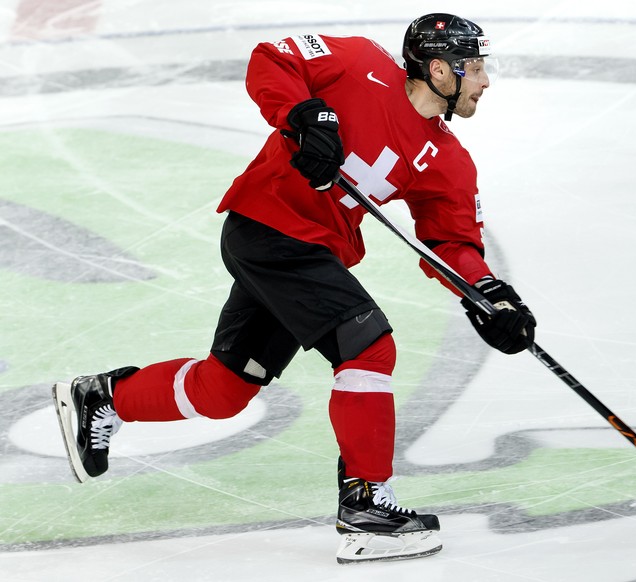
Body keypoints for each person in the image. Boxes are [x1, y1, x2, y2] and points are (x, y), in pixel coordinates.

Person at [52, 13, 536, 563]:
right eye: (474, 67)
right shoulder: (357, 61)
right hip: (268, 225)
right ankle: (367, 505)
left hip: (308, 253)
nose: (484, 81)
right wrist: (307, 113)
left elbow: (452, 243)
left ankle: (103, 397)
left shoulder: (448, 160)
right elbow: (273, 57)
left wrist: (488, 294)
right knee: (368, 341)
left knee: (225, 390)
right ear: (439, 69)